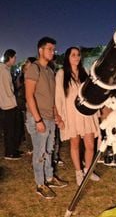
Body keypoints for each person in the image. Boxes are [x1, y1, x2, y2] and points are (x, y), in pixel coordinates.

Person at [25, 37, 68, 199]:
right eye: (49, 49)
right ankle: (40, 183)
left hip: (50, 117)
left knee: (49, 150)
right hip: (39, 118)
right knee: (40, 153)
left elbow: (52, 97)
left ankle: (49, 177)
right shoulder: (34, 68)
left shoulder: (50, 70)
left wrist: (56, 115)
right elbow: (29, 96)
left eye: (53, 49)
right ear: (40, 50)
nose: (52, 52)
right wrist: (38, 120)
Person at [55, 47, 100, 186]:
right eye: (73, 55)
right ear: (67, 57)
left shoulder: (85, 72)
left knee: (90, 145)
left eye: (78, 55)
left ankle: (88, 170)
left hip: (86, 113)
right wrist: (59, 116)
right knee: (74, 144)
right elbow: (58, 96)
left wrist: (96, 111)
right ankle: (78, 172)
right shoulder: (62, 73)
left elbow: (91, 92)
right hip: (71, 113)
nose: (76, 57)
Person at [0, 49, 22, 160]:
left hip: (6, 104)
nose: (15, 59)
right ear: (10, 57)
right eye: (15, 57)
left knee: (12, 129)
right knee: (11, 130)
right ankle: (10, 153)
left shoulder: (4, 69)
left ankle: (13, 150)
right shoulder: (4, 71)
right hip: (8, 104)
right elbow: (8, 90)